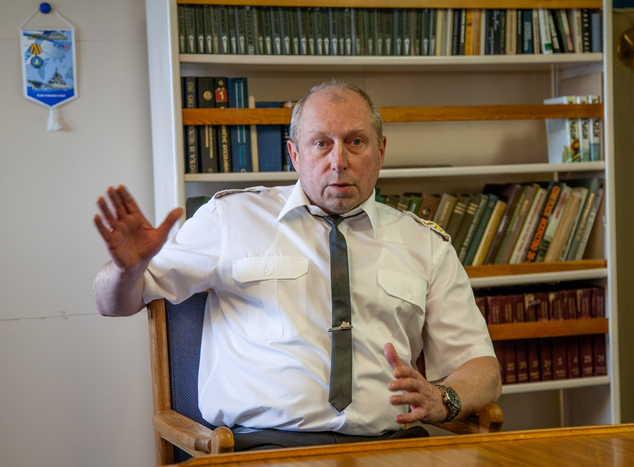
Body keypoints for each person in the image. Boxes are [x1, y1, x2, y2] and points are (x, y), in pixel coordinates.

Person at [93, 81, 501, 449]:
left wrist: (445, 399)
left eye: (356, 141)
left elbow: (481, 367)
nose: (338, 160)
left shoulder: (426, 243)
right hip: (263, 448)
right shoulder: (230, 219)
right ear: (294, 154)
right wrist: (127, 271)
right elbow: (113, 303)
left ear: (380, 151)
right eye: (321, 143)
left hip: (389, 446)